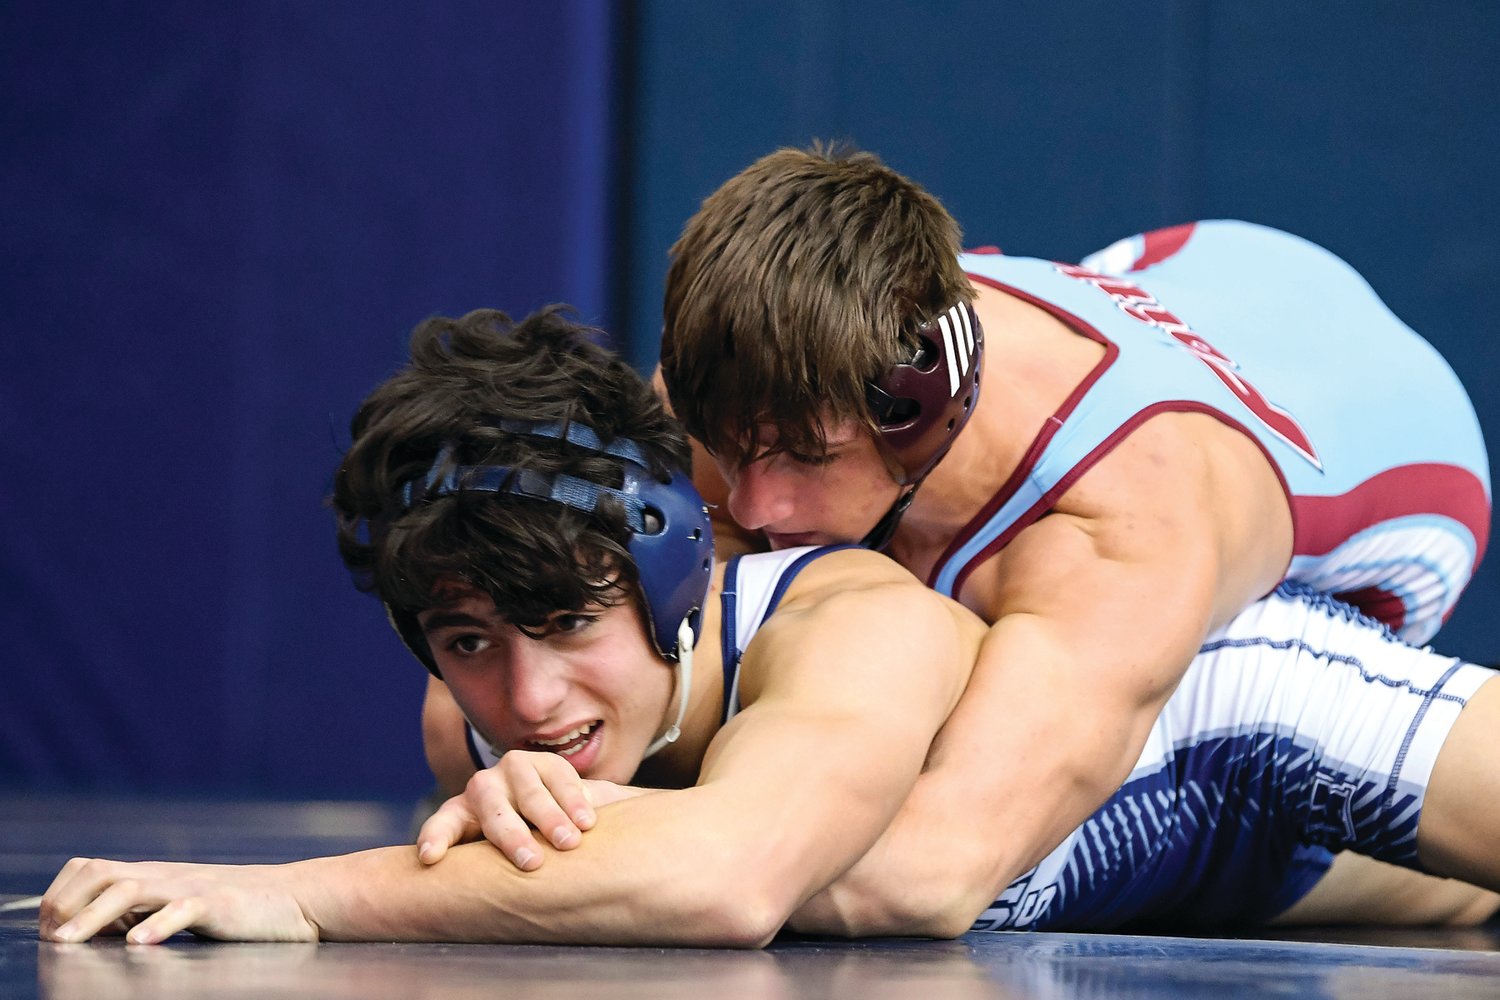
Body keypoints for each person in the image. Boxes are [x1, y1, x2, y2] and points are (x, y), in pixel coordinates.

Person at [38, 308, 1500, 945]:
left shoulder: (845, 618)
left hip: (1245, 716)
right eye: (470, 639)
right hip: (1206, 877)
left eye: (562, 623)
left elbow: (730, 881)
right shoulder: (473, 720)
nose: (530, 695)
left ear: (676, 574)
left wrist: (299, 894)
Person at [657, 145, 1493, 924]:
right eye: (730, 449)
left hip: (1397, 448)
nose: (753, 503)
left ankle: (1436, 888)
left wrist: (596, 845)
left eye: (806, 458)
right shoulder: (737, 380)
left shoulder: (1124, 526)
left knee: (1246, 690)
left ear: (919, 415)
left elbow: (936, 872)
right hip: (1196, 270)